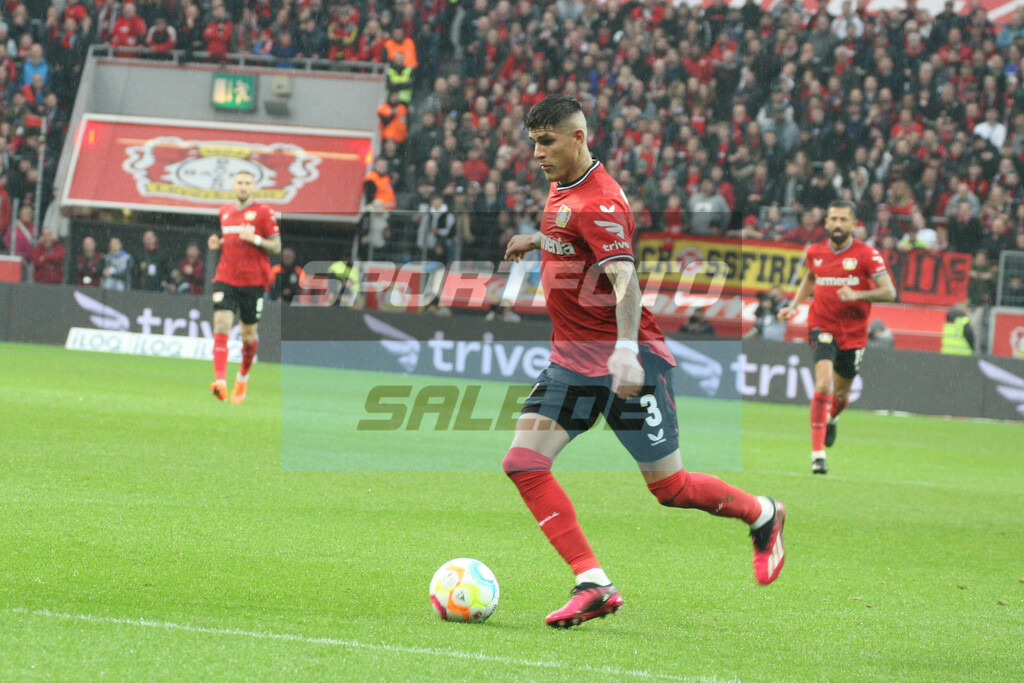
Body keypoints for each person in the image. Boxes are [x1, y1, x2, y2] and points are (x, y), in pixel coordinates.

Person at [502, 96, 786, 629]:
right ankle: (593, 582)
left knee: (670, 489)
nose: (536, 152)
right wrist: (536, 239)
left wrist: (627, 352)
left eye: (546, 141)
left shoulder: (602, 201)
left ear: (578, 137)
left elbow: (625, 281)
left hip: (626, 362)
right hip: (572, 363)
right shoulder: (563, 184)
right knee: (523, 462)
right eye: (533, 141)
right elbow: (573, 238)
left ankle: (763, 513)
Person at [778, 199, 897, 474]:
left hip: (854, 334)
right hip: (822, 325)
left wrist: (858, 294)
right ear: (827, 222)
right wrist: (794, 306)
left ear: (853, 224)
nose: (838, 224)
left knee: (841, 393)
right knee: (824, 384)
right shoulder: (815, 252)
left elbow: (889, 292)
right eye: (833, 219)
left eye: (844, 219)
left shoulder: (867, 254)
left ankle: (832, 419)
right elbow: (810, 278)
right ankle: (817, 455)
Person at [207, 171, 281, 404]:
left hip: (253, 282)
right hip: (226, 278)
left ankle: (243, 377)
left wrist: (255, 239)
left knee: (248, 337)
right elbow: (230, 241)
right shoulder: (224, 212)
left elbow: (277, 247)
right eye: (239, 182)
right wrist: (218, 243)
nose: (243, 187)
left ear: (254, 187)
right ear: (233, 185)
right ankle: (220, 382)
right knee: (221, 324)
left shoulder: (264, 212)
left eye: (247, 183)